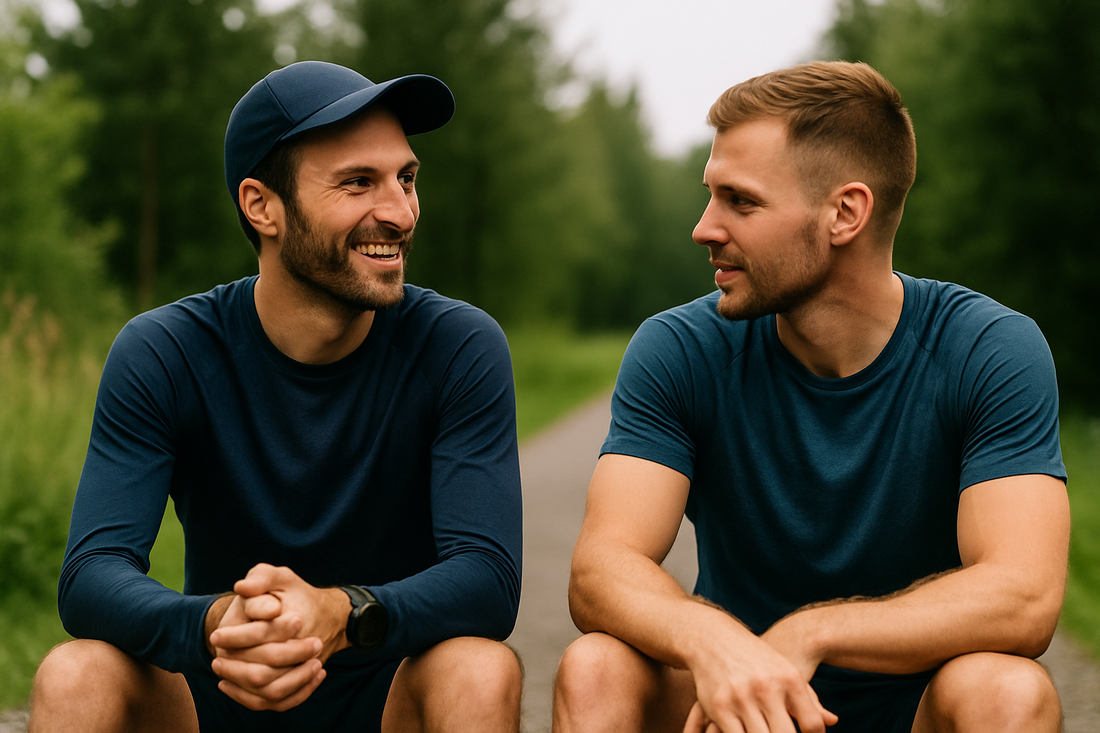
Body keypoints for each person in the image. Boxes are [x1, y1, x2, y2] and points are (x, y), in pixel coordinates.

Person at [552, 61, 1069, 733]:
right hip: (731, 712)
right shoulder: (680, 346)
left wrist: (813, 632)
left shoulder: (988, 348)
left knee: (1009, 690)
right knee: (597, 666)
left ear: (845, 212)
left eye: (740, 201)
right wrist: (720, 646)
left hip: (911, 709)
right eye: (711, 196)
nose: (704, 227)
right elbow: (600, 569)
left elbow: (1024, 596)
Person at [29, 61, 524, 733]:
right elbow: (90, 575)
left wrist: (339, 615)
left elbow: (487, 579)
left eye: (405, 178)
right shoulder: (165, 351)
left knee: (480, 667)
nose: (401, 212)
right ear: (262, 205)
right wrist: (213, 623)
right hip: (218, 692)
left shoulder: (457, 345)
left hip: (383, 703)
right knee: (75, 672)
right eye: (358, 182)